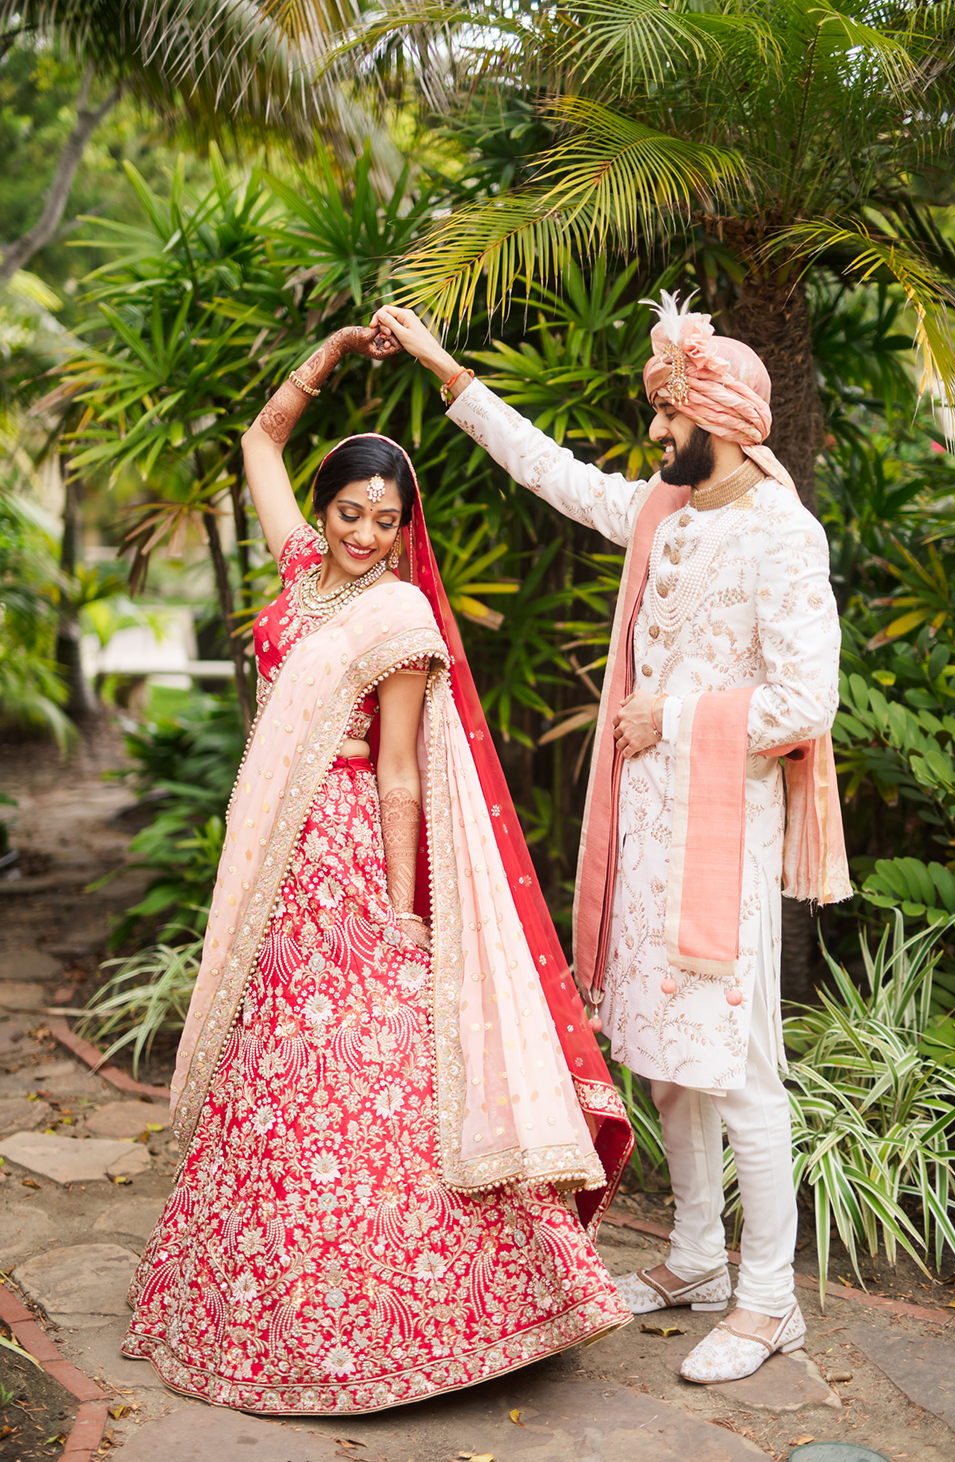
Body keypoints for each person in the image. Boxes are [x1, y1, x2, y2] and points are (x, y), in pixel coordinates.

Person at [124, 325, 635, 1414]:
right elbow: (261, 438)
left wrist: (403, 909)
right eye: (348, 513)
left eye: (384, 520)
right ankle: (254, 1301)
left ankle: (428, 1311)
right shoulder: (300, 570)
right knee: (274, 1063)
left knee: (368, 1063)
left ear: (406, 531)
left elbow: (401, 772)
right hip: (275, 853)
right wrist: (333, 353)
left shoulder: (395, 614)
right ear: (325, 510)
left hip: (350, 855)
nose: (362, 533)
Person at [370, 297, 851, 1385]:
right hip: (649, 836)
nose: (651, 439)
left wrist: (668, 717)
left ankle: (769, 1300)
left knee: (738, 1073)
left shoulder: (780, 532)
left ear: (715, 421)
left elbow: (805, 700)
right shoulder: (664, 516)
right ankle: (691, 1260)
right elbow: (556, 473)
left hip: (718, 839)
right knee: (671, 1067)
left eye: (665, 419)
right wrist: (449, 373)